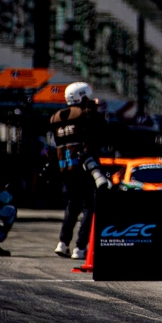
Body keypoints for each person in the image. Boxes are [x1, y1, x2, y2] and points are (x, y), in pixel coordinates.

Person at [49, 82, 110, 259]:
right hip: (85, 166)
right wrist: (97, 110)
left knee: (72, 205)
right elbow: (102, 133)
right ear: (82, 97)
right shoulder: (86, 115)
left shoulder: (56, 118)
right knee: (89, 206)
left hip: (65, 166)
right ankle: (80, 247)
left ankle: (63, 243)